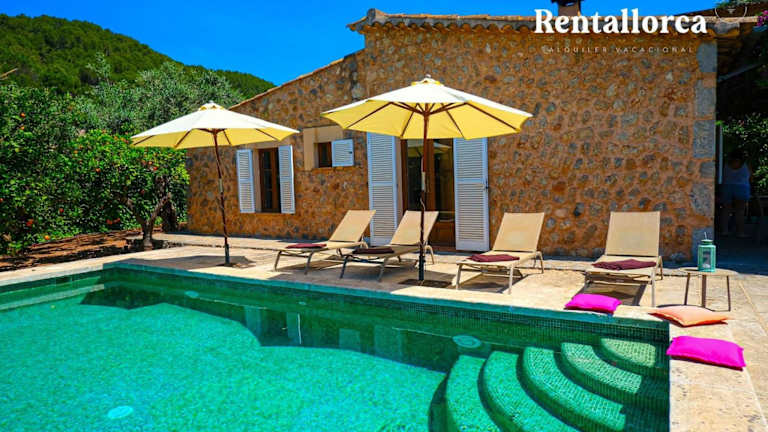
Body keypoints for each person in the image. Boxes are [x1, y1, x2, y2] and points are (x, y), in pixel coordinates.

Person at [719, 150, 752, 238]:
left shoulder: (725, 164)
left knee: (726, 210)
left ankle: (725, 231)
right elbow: (751, 176)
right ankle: (740, 232)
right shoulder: (746, 165)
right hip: (742, 188)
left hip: (727, 187)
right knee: (740, 211)